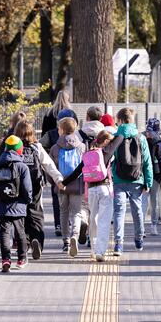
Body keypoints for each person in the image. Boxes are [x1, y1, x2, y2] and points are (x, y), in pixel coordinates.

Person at [62, 130, 115, 262]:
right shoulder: (106, 153)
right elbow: (119, 138)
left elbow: (77, 171)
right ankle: (100, 251)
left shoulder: (88, 154)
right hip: (105, 188)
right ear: (106, 141)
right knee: (104, 221)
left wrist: (63, 183)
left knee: (94, 218)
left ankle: (93, 249)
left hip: (91, 189)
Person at [14, 120, 63, 260]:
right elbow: (49, 165)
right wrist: (58, 179)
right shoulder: (37, 147)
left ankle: (26, 241)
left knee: (20, 214)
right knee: (36, 213)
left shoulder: (13, 147)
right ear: (32, 133)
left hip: (17, 186)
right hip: (35, 185)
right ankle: (37, 241)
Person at [112, 107, 154, 255]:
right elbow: (147, 161)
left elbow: (112, 159)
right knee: (137, 211)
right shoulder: (141, 138)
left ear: (121, 120)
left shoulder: (115, 136)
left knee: (118, 211)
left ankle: (118, 244)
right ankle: (138, 238)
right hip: (137, 179)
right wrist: (148, 182)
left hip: (118, 179)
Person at [0, 135, 33, 272]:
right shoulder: (22, 167)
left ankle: (5, 259)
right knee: (20, 231)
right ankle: (21, 259)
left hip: (2, 203)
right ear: (19, 149)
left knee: (4, 232)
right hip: (18, 204)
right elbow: (27, 188)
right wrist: (28, 200)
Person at [50, 117, 88, 256]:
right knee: (77, 212)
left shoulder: (55, 148)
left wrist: (55, 182)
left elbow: (50, 168)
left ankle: (66, 242)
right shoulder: (82, 147)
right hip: (77, 185)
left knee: (64, 212)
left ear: (62, 130)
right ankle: (75, 236)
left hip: (61, 186)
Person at [41, 108, 78, 236]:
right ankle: (75, 230)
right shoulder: (79, 140)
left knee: (60, 206)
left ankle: (60, 228)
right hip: (76, 180)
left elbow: (40, 146)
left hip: (57, 178)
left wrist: (52, 179)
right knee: (76, 208)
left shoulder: (51, 136)